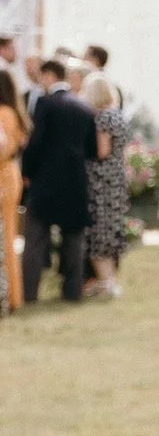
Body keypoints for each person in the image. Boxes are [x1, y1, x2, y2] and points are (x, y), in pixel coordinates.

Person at [20, 58, 99, 306]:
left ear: (49, 75)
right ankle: (72, 291)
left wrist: (27, 172)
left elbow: (36, 144)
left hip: (44, 183)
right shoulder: (85, 108)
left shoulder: (46, 104)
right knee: (73, 240)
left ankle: (29, 293)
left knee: (35, 240)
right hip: (75, 182)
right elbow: (92, 149)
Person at [80, 47, 127, 297]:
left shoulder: (103, 119)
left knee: (100, 230)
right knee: (111, 228)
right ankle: (107, 280)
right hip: (116, 179)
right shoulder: (117, 115)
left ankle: (106, 281)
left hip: (102, 181)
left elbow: (102, 151)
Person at [0, 49, 24, 315]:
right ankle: (13, 295)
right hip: (9, 176)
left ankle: (10, 295)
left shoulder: (3, 113)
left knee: (5, 239)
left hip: (3, 178)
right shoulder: (12, 112)